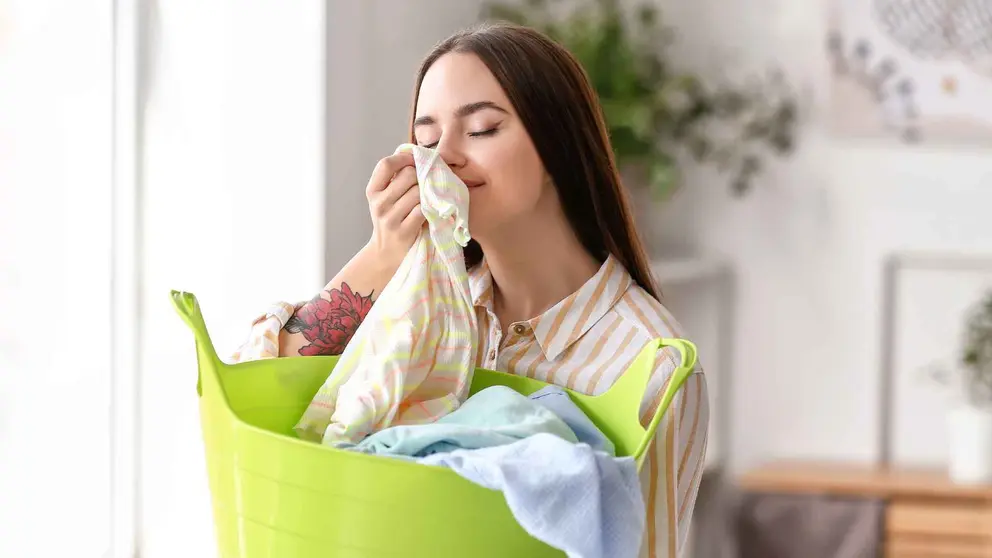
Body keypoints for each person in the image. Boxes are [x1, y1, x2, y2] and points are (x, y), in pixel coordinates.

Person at [232, 22, 709, 558]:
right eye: (427, 139)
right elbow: (253, 395)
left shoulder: (651, 364)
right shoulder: (414, 307)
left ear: (557, 147)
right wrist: (384, 252)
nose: (445, 157)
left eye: (481, 129)